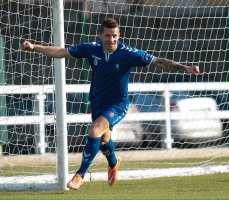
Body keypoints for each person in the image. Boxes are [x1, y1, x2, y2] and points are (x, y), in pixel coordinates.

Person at [21, 18, 200, 190]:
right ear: (101, 36)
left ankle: (80, 175)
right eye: (107, 35)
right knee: (104, 140)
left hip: (118, 104)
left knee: (94, 130)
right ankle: (114, 162)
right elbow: (61, 52)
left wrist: (184, 68)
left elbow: (157, 61)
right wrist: (35, 47)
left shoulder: (128, 53)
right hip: (97, 102)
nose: (111, 39)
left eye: (115, 35)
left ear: (119, 35)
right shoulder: (91, 49)